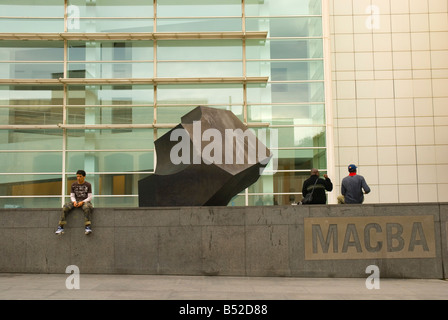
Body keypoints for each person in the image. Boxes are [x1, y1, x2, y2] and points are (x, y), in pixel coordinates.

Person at [55, 170, 93, 235]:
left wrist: (82, 202)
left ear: (84, 177)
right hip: (75, 201)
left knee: (86, 207)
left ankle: (87, 227)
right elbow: (72, 196)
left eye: (80, 176)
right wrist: (74, 201)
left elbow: (90, 197)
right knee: (65, 207)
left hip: (85, 202)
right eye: (77, 176)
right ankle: (60, 227)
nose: (78, 178)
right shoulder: (73, 184)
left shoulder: (88, 185)